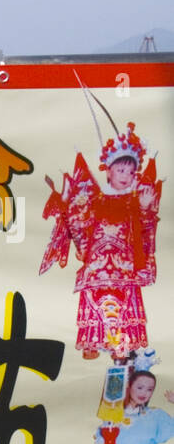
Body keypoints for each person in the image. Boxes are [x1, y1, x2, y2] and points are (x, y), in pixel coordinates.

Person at [40, 123, 161, 361]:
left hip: (125, 267)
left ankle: (122, 347)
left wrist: (146, 209)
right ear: (108, 171)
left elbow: (145, 233)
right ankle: (93, 343)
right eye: (121, 170)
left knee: (123, 308)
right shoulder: (95, 197)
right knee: (97, 305)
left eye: (130, 172)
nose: (126, 177)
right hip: (96, 265)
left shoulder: (136, 200)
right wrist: (66, 202)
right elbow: (78, 221)